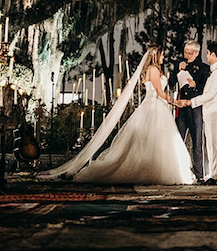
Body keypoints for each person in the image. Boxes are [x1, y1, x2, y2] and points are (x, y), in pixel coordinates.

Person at [38, 46, 194, 185]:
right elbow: (159, 92)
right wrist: (175, 102)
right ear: (154, 56)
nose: (162, 58)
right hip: (153, 106)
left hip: (159, 106)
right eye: (161, 55)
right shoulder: (153, 69)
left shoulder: (156, 69)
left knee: (158, 140)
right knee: (151, 139)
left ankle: (156, 167)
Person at [178, 40, 217, 185]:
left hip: (215, 112)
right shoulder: (215, 72)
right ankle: (213, 175)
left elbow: (210, 94)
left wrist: (190, 102)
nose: (206, 55)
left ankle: (216, 176)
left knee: (215, 146)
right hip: (211, 113)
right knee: (211, 146)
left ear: (213, 54)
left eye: (208, 53)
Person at [168, 39, 209, 181]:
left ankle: (199, 175)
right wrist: (179, 70)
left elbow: (206, 89)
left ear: (196, 53)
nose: (186, 55)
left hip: (195, 107)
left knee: (197, 141)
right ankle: (176, 171)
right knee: (178, 139)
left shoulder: (204, 68)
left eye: (189, 53)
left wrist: (194, 85)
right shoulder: (181, 65)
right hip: (181, 108)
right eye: (185, 52)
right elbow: (171, 83)